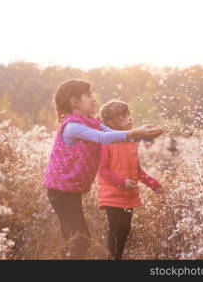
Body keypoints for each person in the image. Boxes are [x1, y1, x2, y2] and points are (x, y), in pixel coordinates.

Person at [43, 79, 162, 259]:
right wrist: (135, 132)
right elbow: (101, 138)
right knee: (80, 239)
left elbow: (111, 134)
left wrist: (144, 135)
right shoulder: (72, 127)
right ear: (75, 102)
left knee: (74, 238)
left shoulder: (91, 122)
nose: (94, 99)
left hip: (70, 191)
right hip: (60, 191)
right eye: (88, 95)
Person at [97, 99, 164, 260]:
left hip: (129, 197)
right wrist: (122, 182)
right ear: (109, 122)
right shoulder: (105, 142)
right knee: (115, 235)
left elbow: (137, 171)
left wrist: (154, 184)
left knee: (123, 235)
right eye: (122, 116)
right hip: (112, 198)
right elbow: (102, 171)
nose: (129, 119)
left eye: (128, 115)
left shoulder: (131, 142)